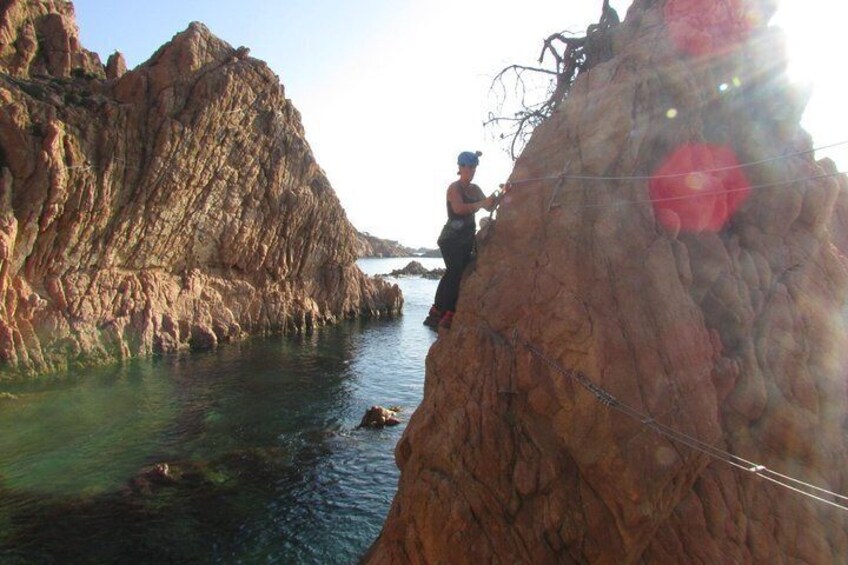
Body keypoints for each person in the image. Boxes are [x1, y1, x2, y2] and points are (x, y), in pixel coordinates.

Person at [424, 151, 499, 330]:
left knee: (452, 272)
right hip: (450, 239)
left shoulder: (475, 189)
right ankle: (448, 312)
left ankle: (436, 308)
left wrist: (500, 195)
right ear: (460, 168)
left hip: (465, 239)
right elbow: (458, 209)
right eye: (468, 167)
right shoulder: (454, 188)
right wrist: (481, 204)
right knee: (455, 272)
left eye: (474, 168)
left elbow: (489, 204)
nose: (472, 171)